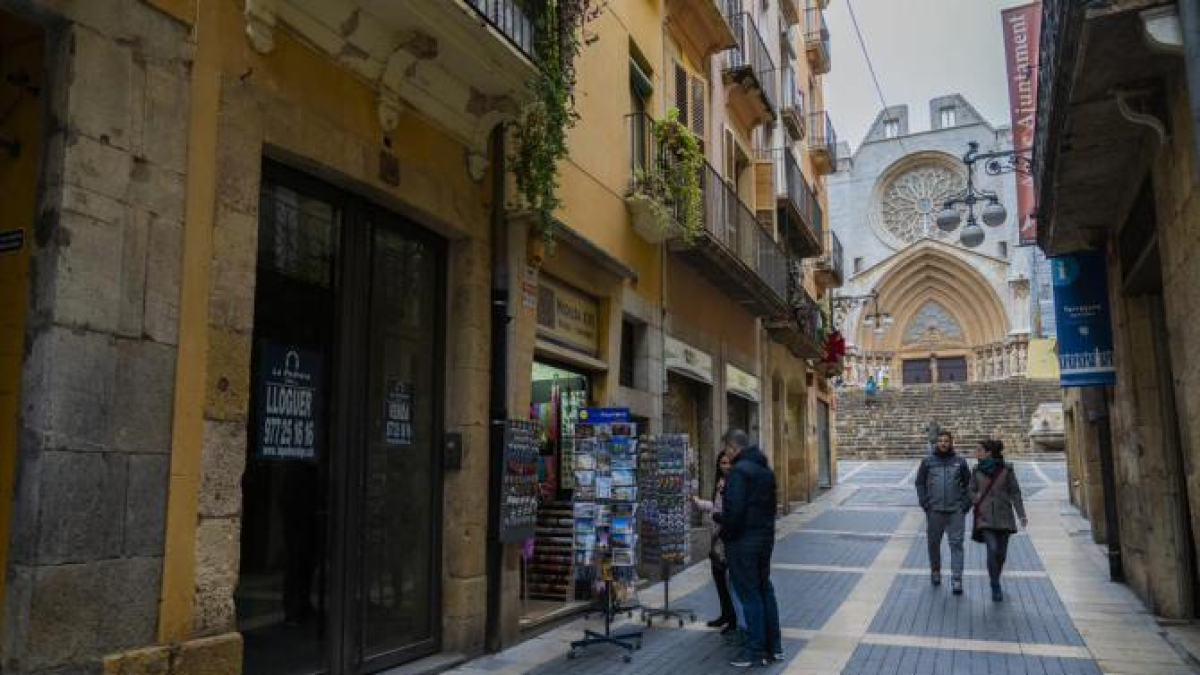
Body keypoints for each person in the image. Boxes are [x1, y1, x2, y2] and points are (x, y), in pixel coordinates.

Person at [716, 430, 782, 667]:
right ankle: (774, 647)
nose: (726, 454)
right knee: (765, 590)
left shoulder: (738, 473)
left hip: (743, 542)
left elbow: (733, 513)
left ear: (733, 448)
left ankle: (754, 651)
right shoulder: (765, 471)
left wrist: (725, 534)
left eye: (726, 449)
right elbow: (772, 508)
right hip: (765, 540)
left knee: (750, 594)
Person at [970, 439, 1028, 602]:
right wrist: (975, 498)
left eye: (979, 450)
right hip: (985, 516)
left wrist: (1021, 514)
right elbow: (971, 489)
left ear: (989, 452)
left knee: (1001, 555)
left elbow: (1015, 492)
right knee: (992, 549)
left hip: (1004, 517)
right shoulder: (976, 470)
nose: (976, 453)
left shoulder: (1007, 470)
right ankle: (994, 583)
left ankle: (996, 575)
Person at [915, 430, 971, 595]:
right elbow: (920, 483)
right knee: (933, 544)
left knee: (957, 544)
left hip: (955, 511)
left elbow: (970, 485)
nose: (943, 443)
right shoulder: (927, 462)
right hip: (935, 511)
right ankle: (935, 571)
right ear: (936, 443)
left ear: (951, 442)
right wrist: (925, 503)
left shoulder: (960, 462)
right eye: (940, 441)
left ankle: (957, 579)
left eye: (946, 440)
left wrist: (965, 505)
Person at [692, 449, 739, 633]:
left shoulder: (735, 484)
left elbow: (729, 511)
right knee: (718, 578)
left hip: (727, 537)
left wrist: (719, 516)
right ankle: (725, 614)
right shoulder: (720, 483)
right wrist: (698, 503)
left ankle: (734, 619)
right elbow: (715, 506)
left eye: (729, 463)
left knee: (728, 580)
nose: (726, 466)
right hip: (716, 537)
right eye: (723, 463)